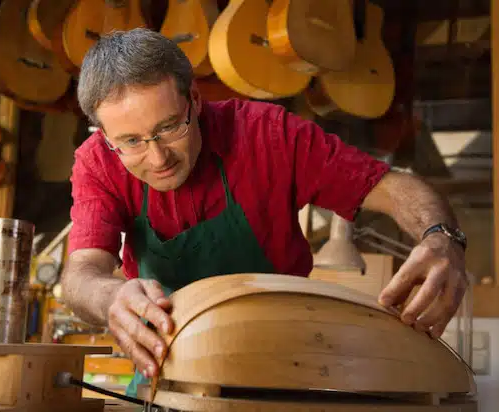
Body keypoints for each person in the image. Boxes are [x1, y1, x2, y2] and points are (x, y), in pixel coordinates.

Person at [60, 28, 468, 397]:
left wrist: (441, 237)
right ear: (105, 136)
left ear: (195, 101)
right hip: (165, 380)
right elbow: (82, 276)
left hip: (284, 373)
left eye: (171, 127)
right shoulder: (98, 162)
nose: (157, 156)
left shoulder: (269, 136)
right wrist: (111, 296)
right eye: (131, 141)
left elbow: (392, 187)